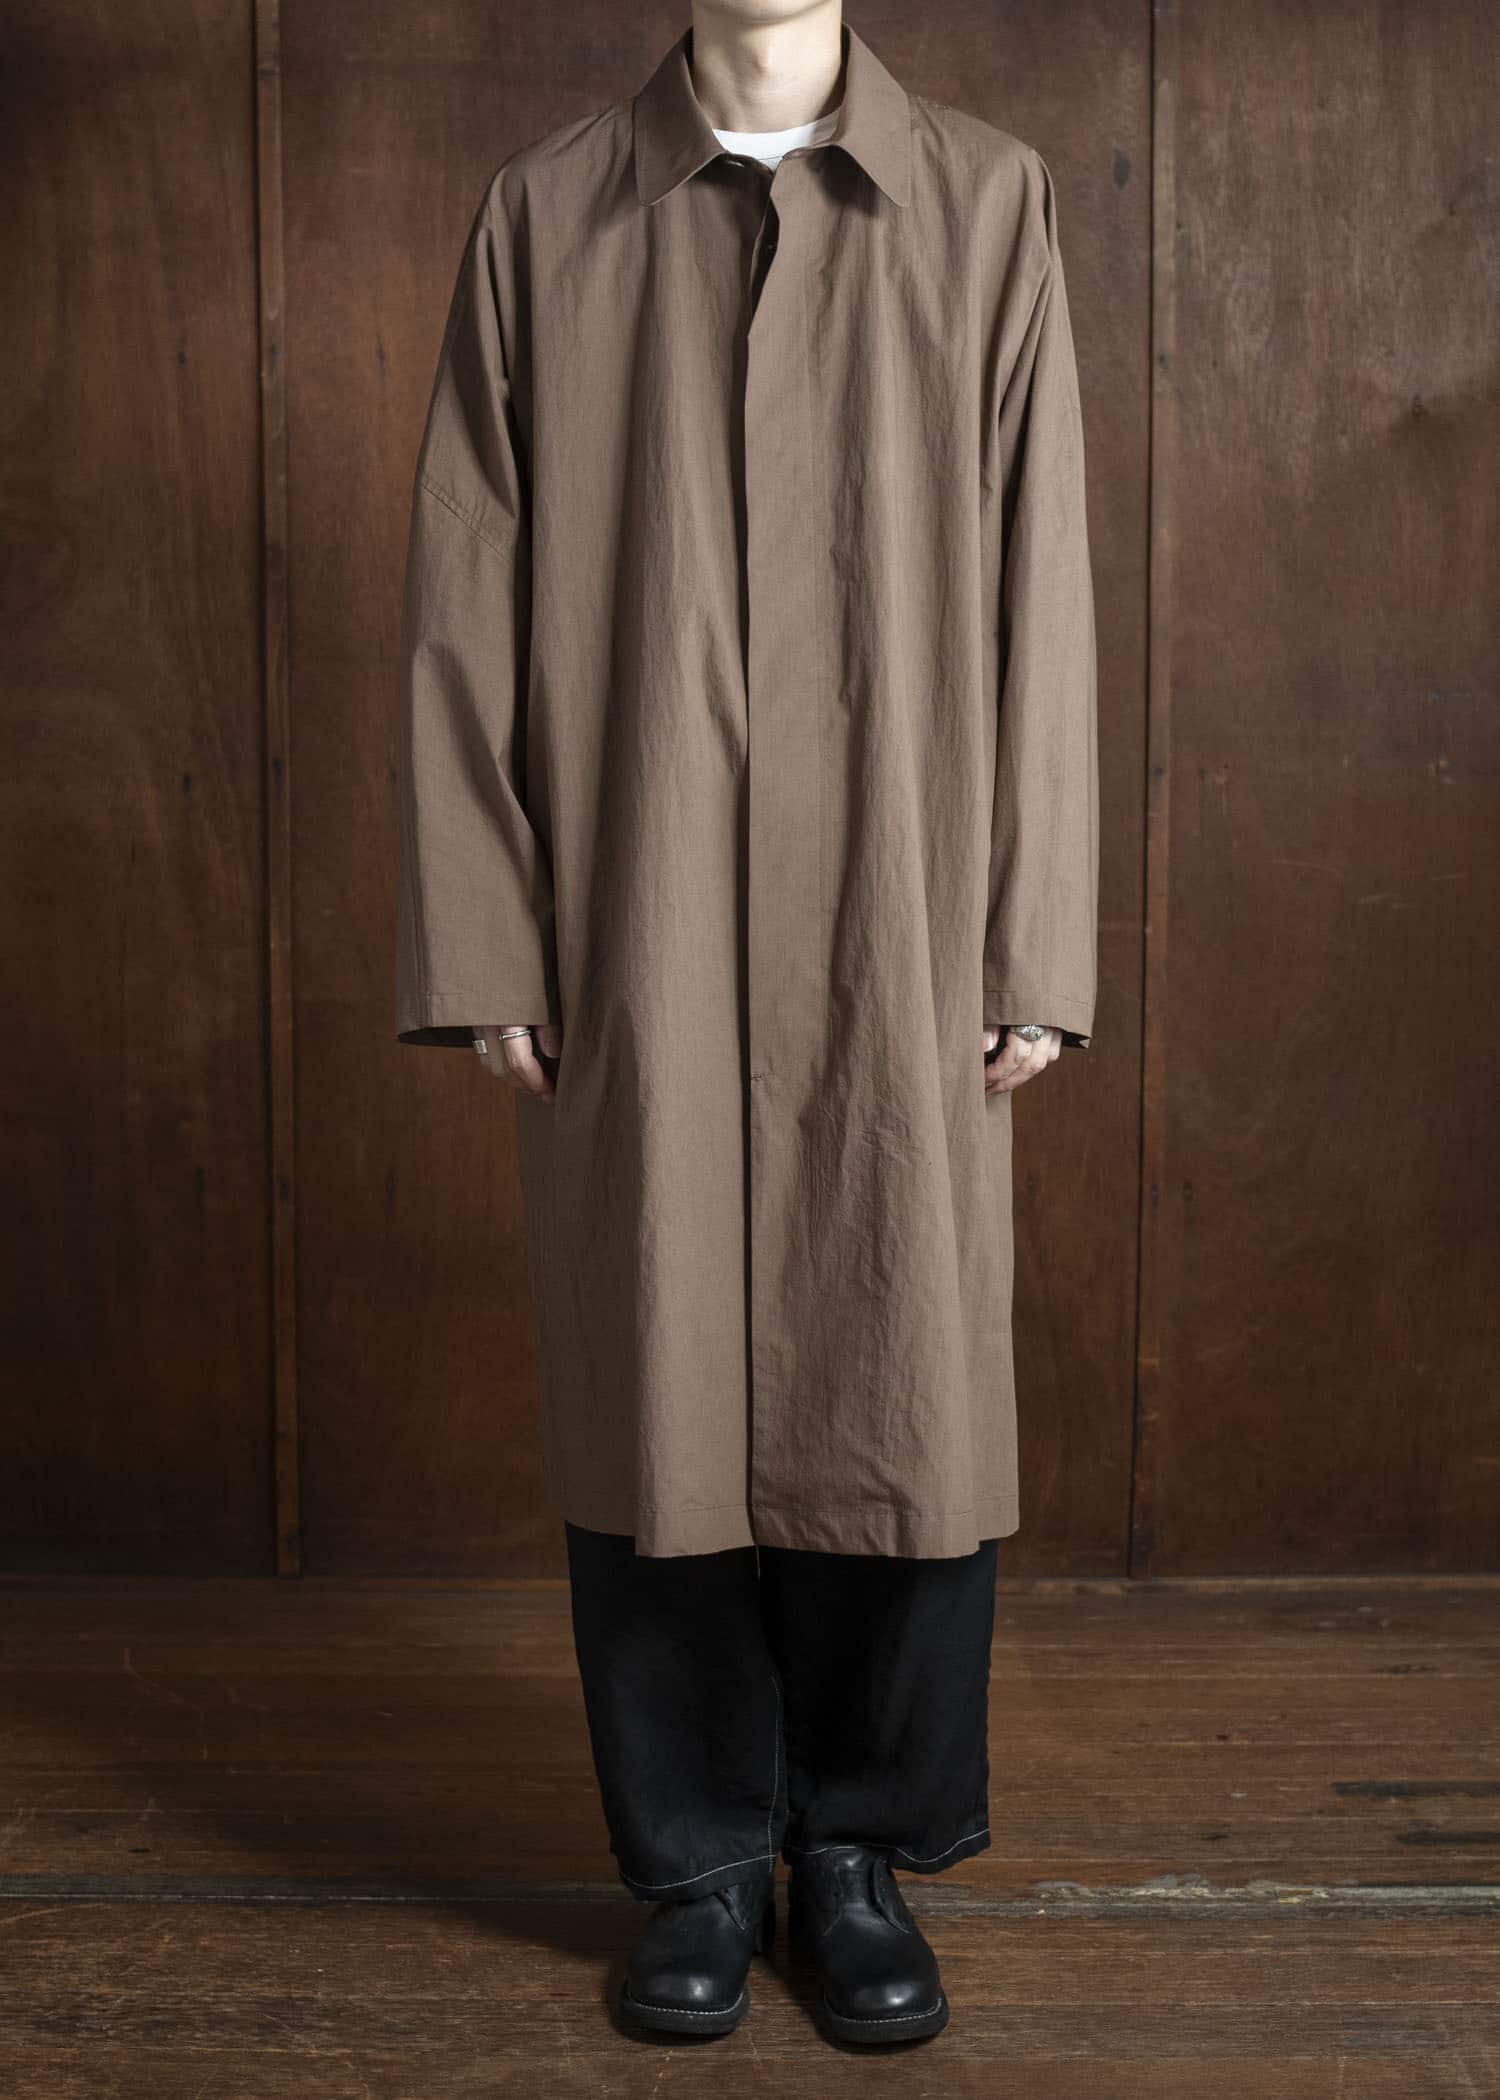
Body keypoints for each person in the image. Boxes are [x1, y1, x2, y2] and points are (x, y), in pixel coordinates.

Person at [393, 0, 1097, 2047]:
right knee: (657, 1374)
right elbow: (464, 586)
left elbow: (1044, 574)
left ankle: (858, 1850)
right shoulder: (546, 216)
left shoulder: (988, 205)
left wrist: (1033, 936)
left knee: (903, 1371)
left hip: (904, 894)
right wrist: (490, 939)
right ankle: (697, 1857)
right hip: (643, 897)